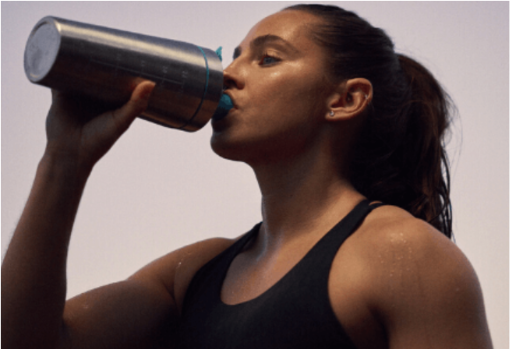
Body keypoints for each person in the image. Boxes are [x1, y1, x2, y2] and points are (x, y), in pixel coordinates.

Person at [2, 4, 493, 349]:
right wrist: (63, 161)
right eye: (234, 55)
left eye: (268, 58)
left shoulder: (405, 256)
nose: (229, 73)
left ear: (345, 100)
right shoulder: (193, 273)